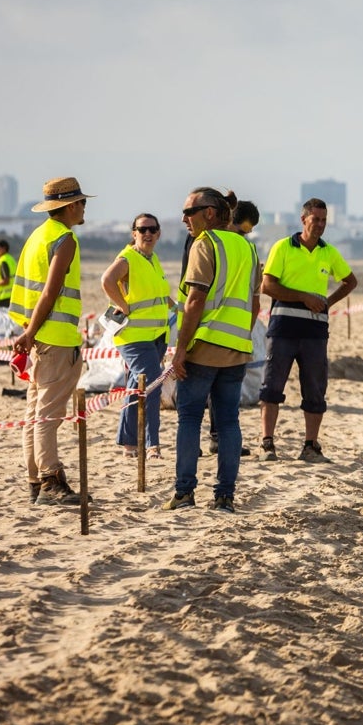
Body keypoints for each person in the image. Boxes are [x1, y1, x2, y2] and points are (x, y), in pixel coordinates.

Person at [170, 187, 261, 513]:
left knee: (190, 418)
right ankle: (225, 496)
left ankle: (184, 493)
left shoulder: (205, 243)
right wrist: (239, 335)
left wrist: (181, 348)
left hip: (204, 348)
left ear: (210, 213)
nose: (184, 219)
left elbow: (195, 301)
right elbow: (255, 303)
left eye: (189, 212)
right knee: (228, 422)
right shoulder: (248, 249)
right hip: (236, 349)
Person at [8, 177, 93, 505]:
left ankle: (35, 481)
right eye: (82, 202)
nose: (85, 207)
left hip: (39, 336)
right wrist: (29, 334)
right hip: (54, 338)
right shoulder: (64, 239)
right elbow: (50, 291)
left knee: (35, 413)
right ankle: (50, 480)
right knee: (48, 414)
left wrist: (29, 333)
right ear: (70, 206)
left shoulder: (36, 237)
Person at [258, 198, 357, 463]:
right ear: (303, 220)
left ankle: (311, 446)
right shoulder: (282, 247)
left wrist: (327, 303)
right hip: (283, 329)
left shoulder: (329, 252)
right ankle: (267, 444)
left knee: (315, 389)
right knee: (272, 386)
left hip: (315, 333)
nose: (321, 225)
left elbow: (350, 281)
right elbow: (267, 286)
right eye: (316, 220)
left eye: (324, 220)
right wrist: (303, 296)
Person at [100, 213, 171, 460]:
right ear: (134, 234)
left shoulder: (153, 259)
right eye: (142, 230)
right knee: (152, 385)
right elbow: (107, 280)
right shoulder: (128, 258)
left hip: (157, 336)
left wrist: (175, 305)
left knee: (136, 385)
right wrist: (123, 305)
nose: (147, 234)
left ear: (159, 233)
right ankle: (151, 444)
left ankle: (128, 443)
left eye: (152, 229)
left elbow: (158, 294)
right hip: (133, 337)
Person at [208, 196, 261, 457]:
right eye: (243, 230)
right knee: (203, 400)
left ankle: (219, 440)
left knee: (224, 403)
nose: (245, 237)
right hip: (211, 336)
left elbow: (254, 299)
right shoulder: (209, 244)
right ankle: (215, 440)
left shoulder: (238, 248)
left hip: (230, 338)